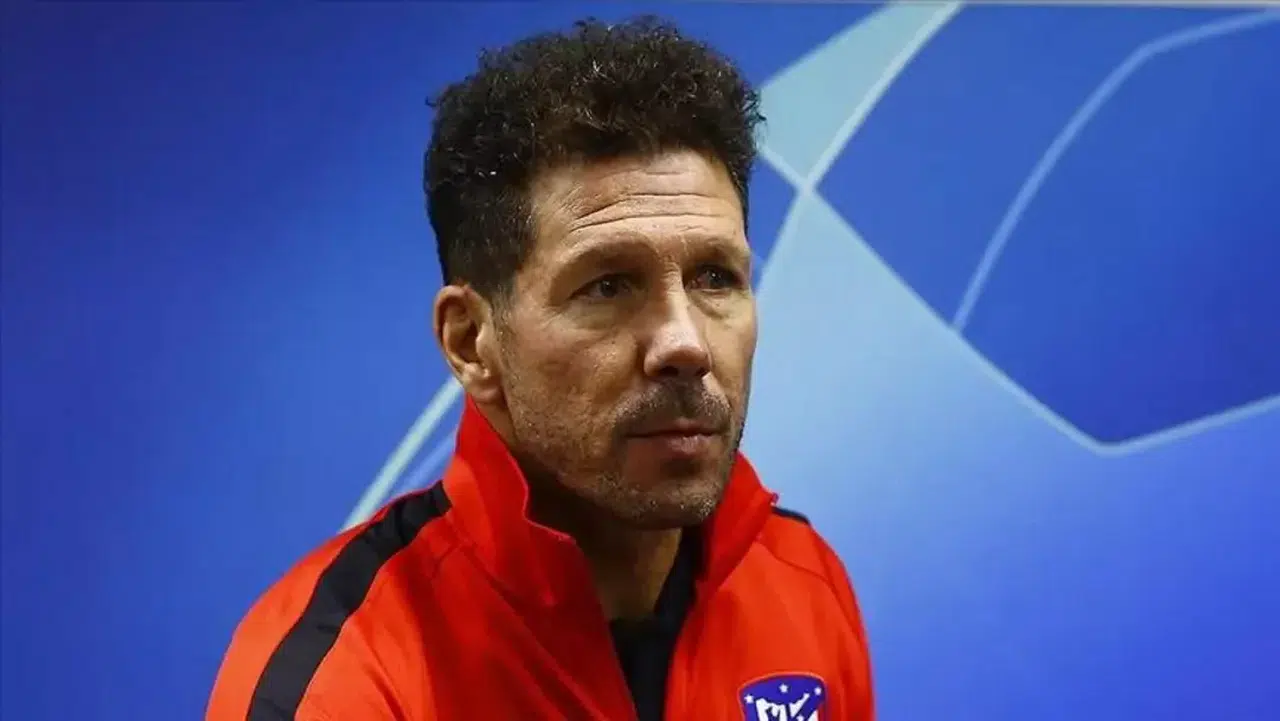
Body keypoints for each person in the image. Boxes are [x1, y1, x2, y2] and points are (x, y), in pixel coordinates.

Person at [206, 16, 873, 721]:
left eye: (715, 277)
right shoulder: (343, 679)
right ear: (470, 341)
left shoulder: (805, 584)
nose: (686, 344)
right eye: (608, 286)